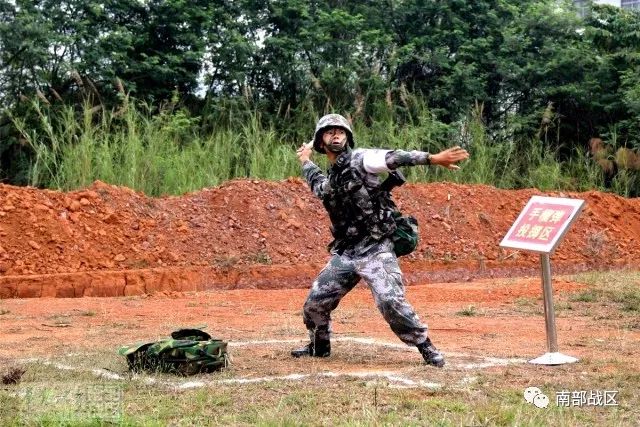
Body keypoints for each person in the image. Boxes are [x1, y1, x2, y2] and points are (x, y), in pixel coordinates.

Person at [291, 113, 469, 367]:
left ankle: (425, 346)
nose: (336, 135)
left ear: (348, 137)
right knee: (315, 303)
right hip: (347, 251)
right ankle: (319, 346)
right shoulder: (332, 177)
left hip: (376, 247)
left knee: (389, 300)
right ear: (320, 141)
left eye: (340, 131)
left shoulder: (361, 159)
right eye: (329, 132)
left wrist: (431, 159)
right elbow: (318, 185)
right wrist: (306, 160)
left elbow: (393, 157)